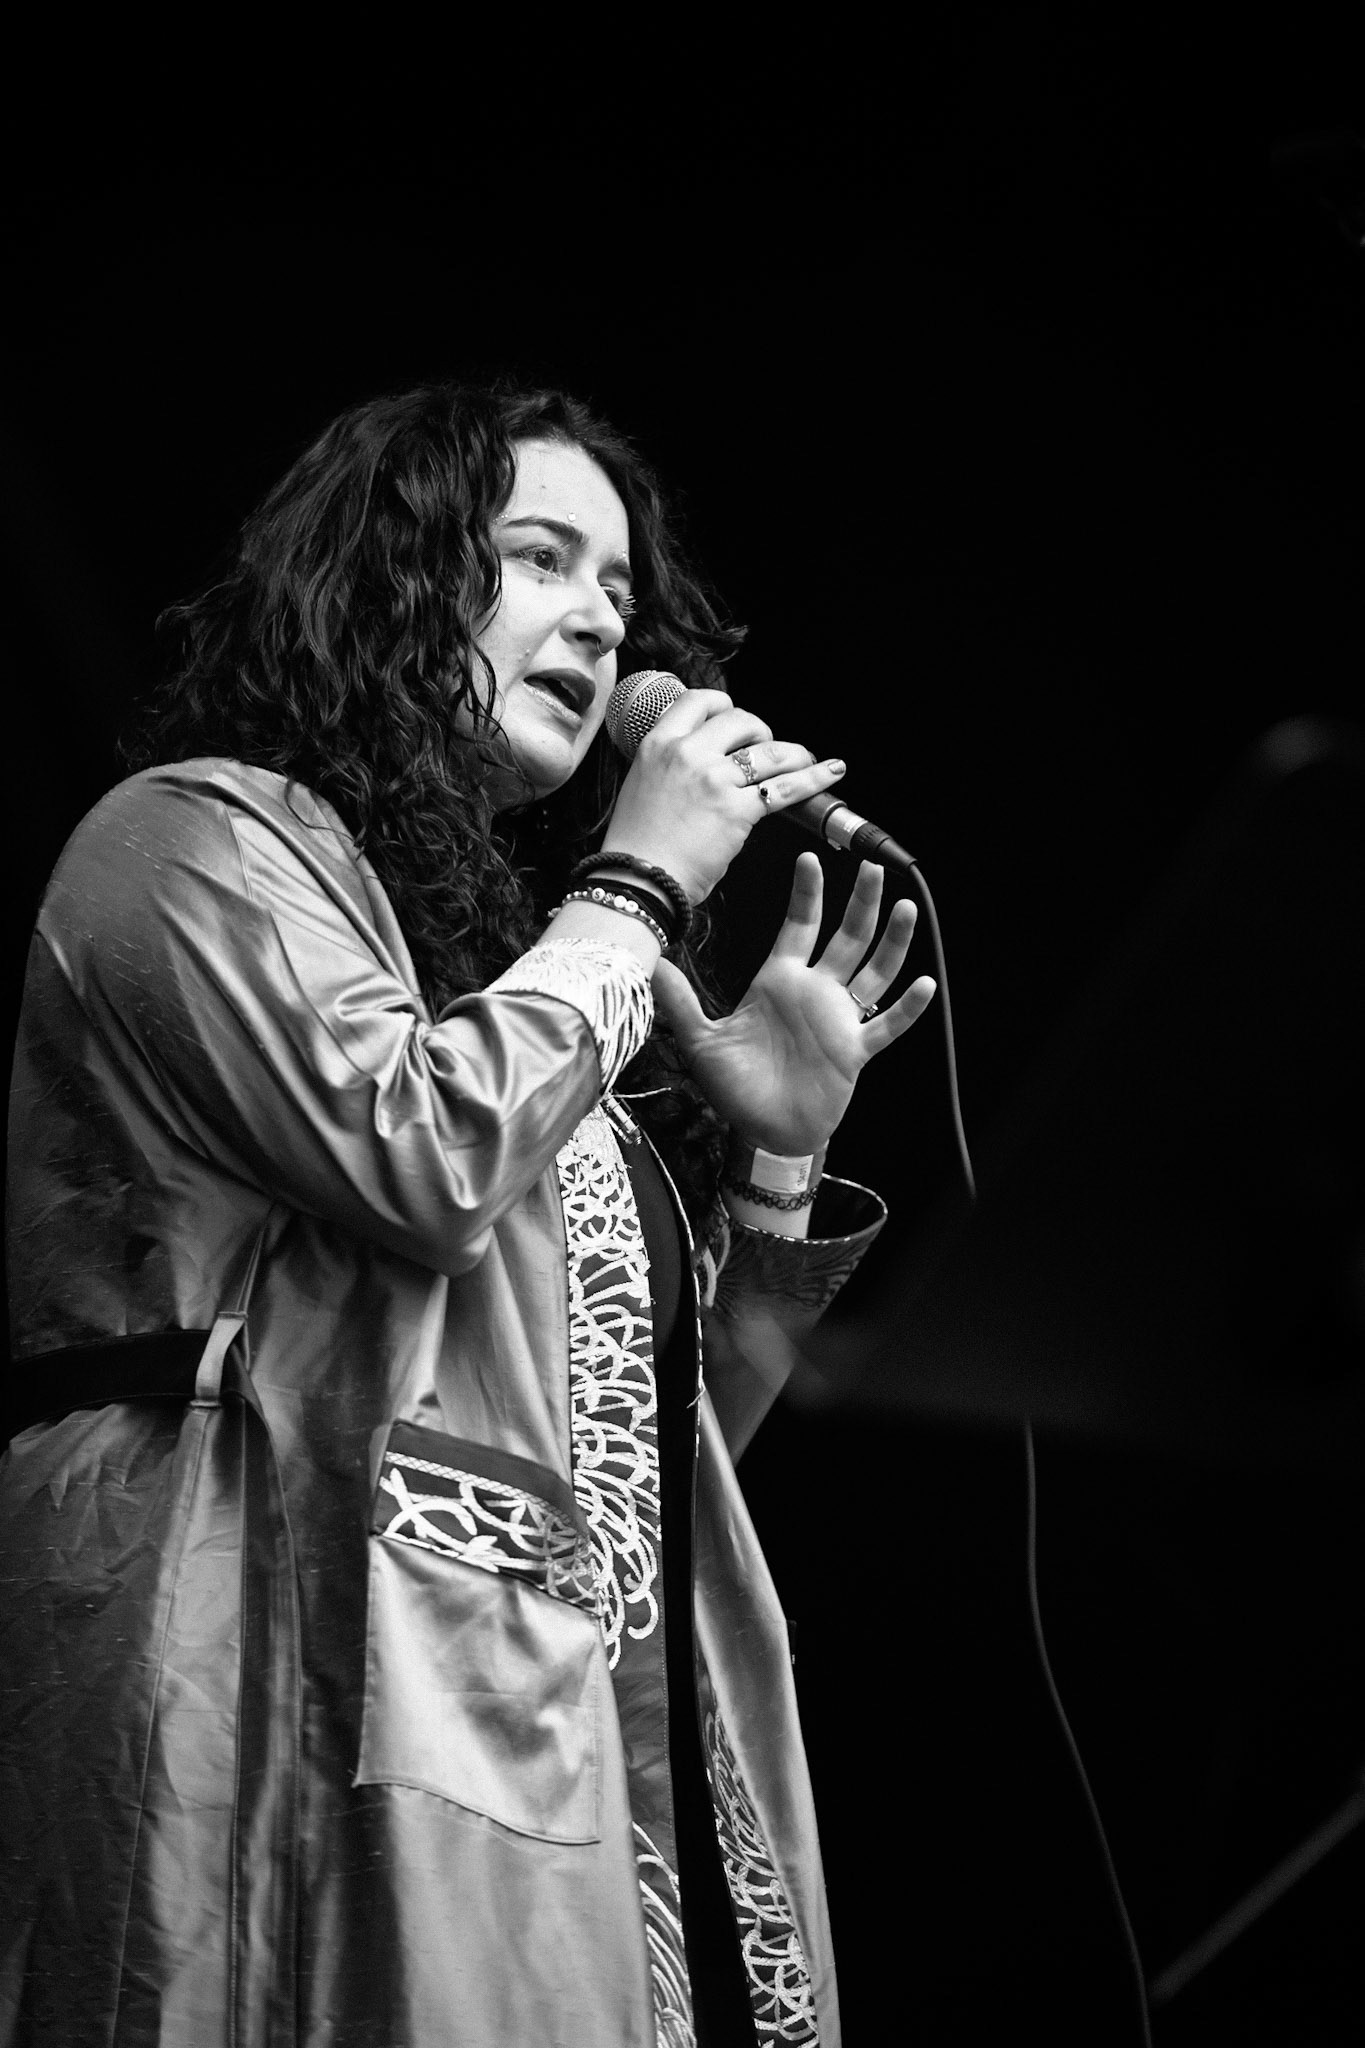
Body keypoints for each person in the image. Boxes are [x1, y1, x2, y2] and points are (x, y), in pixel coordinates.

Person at [1, 383, 936, 2047]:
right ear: (392, 580)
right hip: (249, 1674)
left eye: (620, 592)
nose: (600, 621)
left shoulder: (516, 984)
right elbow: (419, 1157)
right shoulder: (190, 839)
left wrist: (778, 1161)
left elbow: (651, 1470)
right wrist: (635, 887)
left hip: (524, 1732)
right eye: (540, 558)